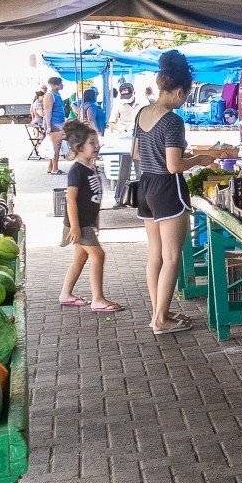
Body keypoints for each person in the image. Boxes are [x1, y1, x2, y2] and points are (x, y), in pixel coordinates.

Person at [133, 50, 198, 335]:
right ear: (180, 90)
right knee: (172, 256)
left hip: (145, 185)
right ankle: (160, 320)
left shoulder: (142, 112)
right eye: (186, 95)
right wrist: (203, 159)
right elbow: (174, 166)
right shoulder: (172, 121)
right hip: (167, 189)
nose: (185, 101)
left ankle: (160, 310)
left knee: (155, 254)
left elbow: (137, 153)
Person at [58, 120, 120, 313]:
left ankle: (65, 294)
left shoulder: (91, 167)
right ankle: (98, 299)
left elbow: (92, 199)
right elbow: (71, 200)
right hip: (79, 224)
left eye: (96, 142)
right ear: (78, 147)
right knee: (98, 255)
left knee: (81, 257)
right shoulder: (77, 171)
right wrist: (76, 226)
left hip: (86, 222)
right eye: (91, 143)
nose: (96, 146)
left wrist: (95, 222)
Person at [41, 76, 69, 174]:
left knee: (55, 145)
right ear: (54, 85)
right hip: (54, 123)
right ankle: (55, 169)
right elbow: (48, 112)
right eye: (61, 83)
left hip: (59, 122)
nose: (62, 85)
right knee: (56, 146)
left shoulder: (57, 94)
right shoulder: (49, 95)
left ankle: (50, 167)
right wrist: (48, 127)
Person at [28, 86, 49, 160]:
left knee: (37, 135)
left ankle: (37, 149)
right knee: (38, 135)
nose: (44, 97)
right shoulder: (38, 104)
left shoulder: (39, 103)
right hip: (38, 122)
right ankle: (37, 149)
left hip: (38, 122)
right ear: (39, 97)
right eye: (43, 96)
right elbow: (42, 114)